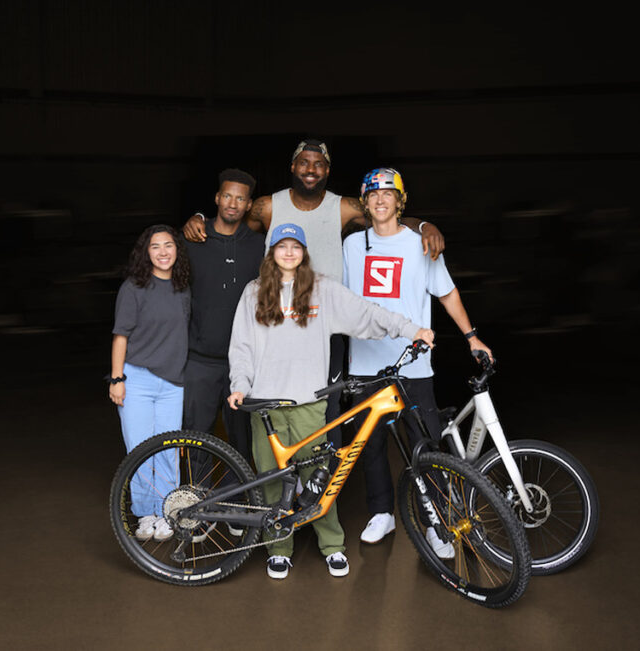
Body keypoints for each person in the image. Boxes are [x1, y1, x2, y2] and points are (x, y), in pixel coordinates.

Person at [185, 140, 446, 446]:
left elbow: (386, 217)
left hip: (324, 322)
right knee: (274, 401)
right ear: (292, 167)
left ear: (327, 170)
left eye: (318, 163)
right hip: (277, 321)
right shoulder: (267, 207)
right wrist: (199, 219)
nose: (311, 169)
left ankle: (322, 489)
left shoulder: (343, 207)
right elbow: (231, 221)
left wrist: (425, 225)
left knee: (327, 406)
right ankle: (280, 482)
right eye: (304, 163)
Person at [227, 223, 435, 580]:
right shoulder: (254, 292)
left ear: (304, 252)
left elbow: (367, 313)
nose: (289, 252)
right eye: (282, 246)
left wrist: (410, 329)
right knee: (271, 478)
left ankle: (332, 546)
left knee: (318, 478)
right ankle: (278, 549)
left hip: (309, 400)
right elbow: (241, 346)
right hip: (265, 401)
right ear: (271, 252)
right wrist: (240, 385)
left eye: (296, 246)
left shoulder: (322, 289)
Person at [342, 168, 494, 558]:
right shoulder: (352, 246)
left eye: (388, 194)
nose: (380, 201)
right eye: (372, 195)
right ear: (365, 203)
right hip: (365, 365)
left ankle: (436, 523)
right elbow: (338, 299)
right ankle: (381, 513)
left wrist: (471, 336)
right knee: (370, 444)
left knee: (424, 445)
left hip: (413, 365)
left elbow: (447, 294)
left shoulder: (419, 244)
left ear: (400, 201)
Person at [108, 224, 191, 543]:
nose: (163, 252)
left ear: (176, 250)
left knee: (168, 451)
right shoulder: (134, 287)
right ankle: (145, 514)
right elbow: (121, 336)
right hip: (137, 379)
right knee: (140, 449)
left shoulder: (183, 287)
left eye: (168, 245)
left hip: (172, 383)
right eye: (155, 246)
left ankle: (167, 512)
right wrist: (117, 379)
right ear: (146, 252)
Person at [182, 169, 265, 462]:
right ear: (217, 198)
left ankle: (237, 502)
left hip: (243, 362)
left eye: (240, 198)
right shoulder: (192, 240)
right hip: (200, 361)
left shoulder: (259, 246)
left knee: (242, 441)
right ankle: (196, 501)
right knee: (196, 437)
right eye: (227, 195)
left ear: (249, 205)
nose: (232, 203)